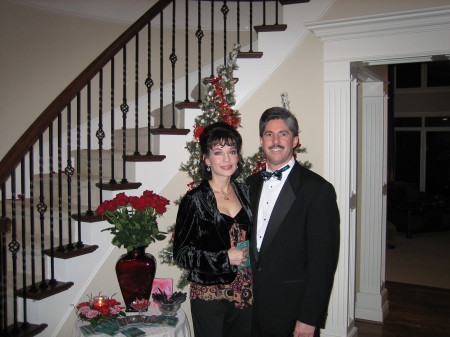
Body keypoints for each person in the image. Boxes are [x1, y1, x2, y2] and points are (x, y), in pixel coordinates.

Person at [246, 107, 340, 337]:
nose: (275, 140)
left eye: (283, 134)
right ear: (261, 140)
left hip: (292, 310)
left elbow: (323, 262)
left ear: (295, 140)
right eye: (269, 134)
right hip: (249, 308)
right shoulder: (249, 184)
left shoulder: (318, 190)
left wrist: (309, 318)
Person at [173, 121, 253, 337]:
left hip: (246, 289)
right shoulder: (195, 200)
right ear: (207, 159)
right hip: (210, 294)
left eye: (232, 151)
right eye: (218, 152)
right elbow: (181, 254)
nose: (226, 159)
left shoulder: (247, 193)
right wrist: (223, 258)